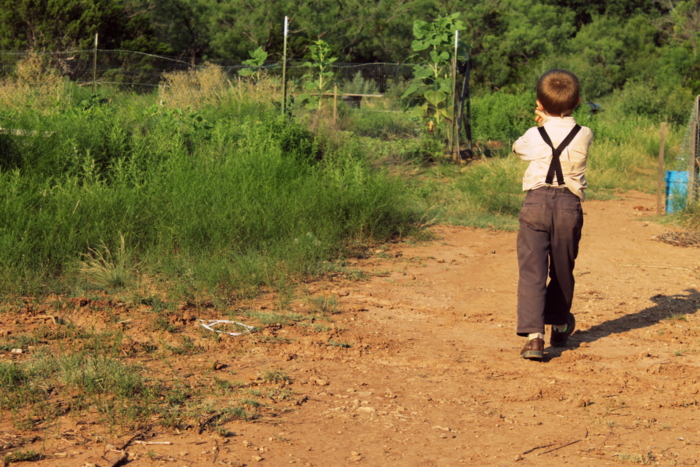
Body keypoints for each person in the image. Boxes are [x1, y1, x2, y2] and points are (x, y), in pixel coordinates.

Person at [513, 69, 593, 360]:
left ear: (539, 104)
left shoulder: (534, 134)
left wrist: (542, 122)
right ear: (578, 101)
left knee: (532, 270)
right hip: (569, 207)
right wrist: (551, 117)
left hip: (536, 203)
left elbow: (518, 150)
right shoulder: (584, 133)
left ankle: (534, 337)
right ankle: (559, 324)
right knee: (562, 268)